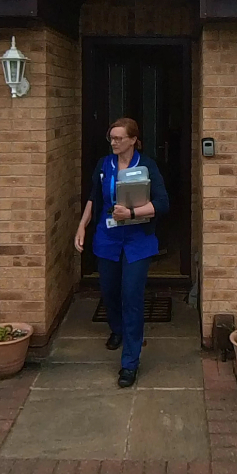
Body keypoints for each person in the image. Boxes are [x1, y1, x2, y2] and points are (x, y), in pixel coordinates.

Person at [73, 117, 169, 387]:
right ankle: (117, 329)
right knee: (110, 292)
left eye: (118, 138)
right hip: (108, 238)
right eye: (111, 138)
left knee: (132, 297)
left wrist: (133, 213)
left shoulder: (147, 165)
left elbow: (162, 203)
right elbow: (94, 197)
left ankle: (130, 363)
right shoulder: (105, 165)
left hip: (138, 239)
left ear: (132, 140)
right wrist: (82, 226)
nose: (113, 142)